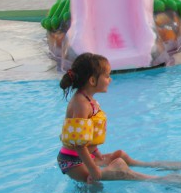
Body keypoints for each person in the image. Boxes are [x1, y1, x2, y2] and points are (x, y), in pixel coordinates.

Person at [57, 52, 156, 183]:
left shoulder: (88, 100)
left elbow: (88, 133)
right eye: (107, 76)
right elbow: (79, 144)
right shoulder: (81, 104)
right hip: (72, 162)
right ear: (92, 80)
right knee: (110, 175)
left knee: (120, 156)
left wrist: (96, 152)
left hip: (86, 156)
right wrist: (93, 169)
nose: (110, 80)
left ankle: (153, 167)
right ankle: (159, 179)